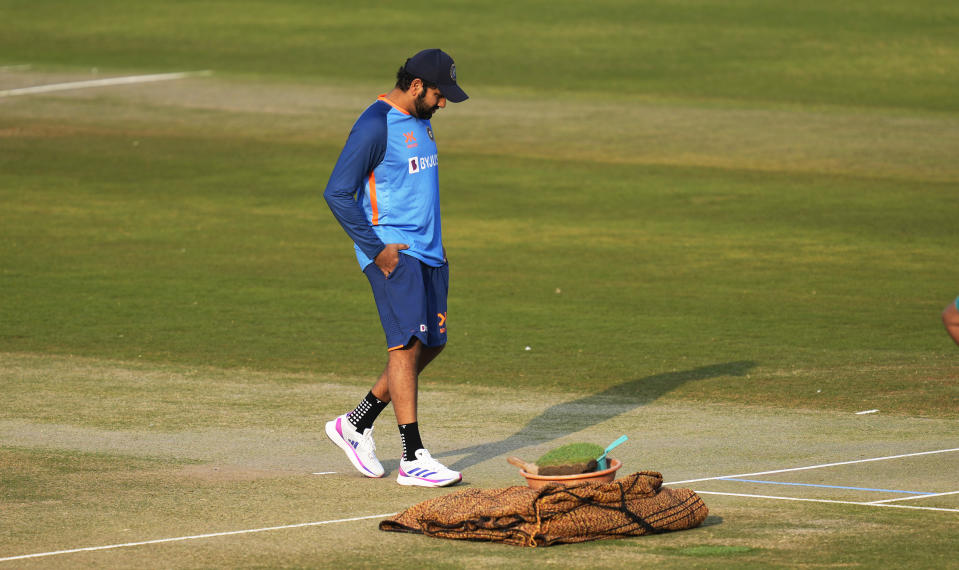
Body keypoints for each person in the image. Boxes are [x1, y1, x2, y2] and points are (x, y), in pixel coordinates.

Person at [322, 49, 468, 487]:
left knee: (432, 343)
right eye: (440, 95)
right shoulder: (374, 125)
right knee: (404, 346)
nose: (444, 105)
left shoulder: (422, 121)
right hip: (393, 253)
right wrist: (377, 249)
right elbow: (337, 193)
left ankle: (356, 424)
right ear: (417, 86)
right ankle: (413, 456)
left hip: (430, 252)